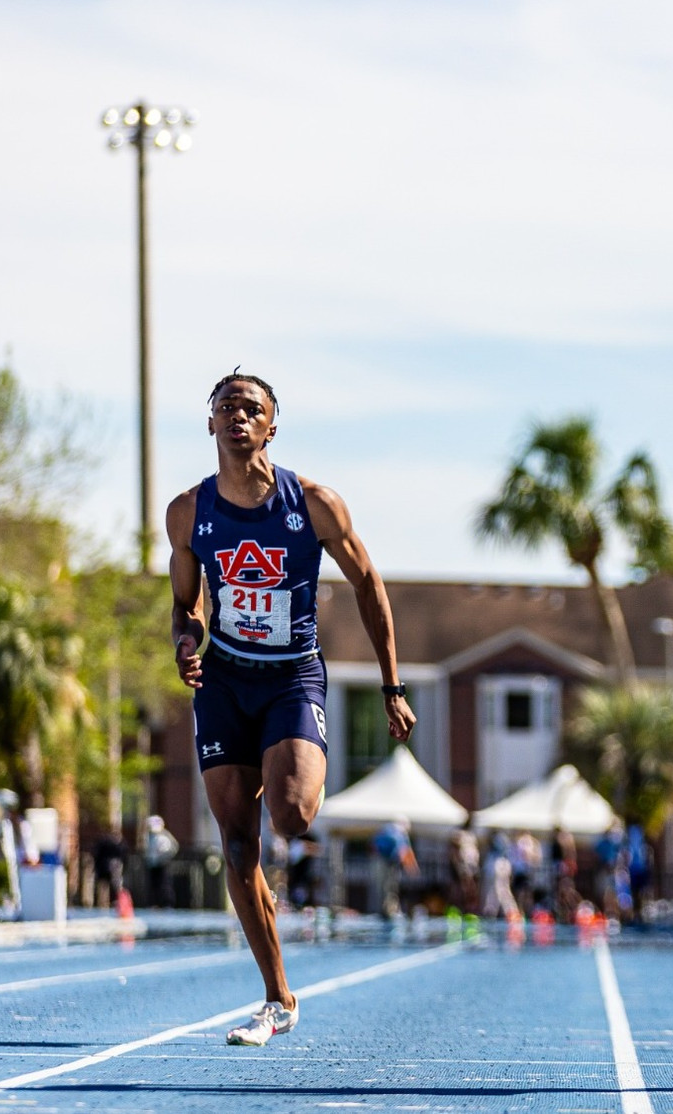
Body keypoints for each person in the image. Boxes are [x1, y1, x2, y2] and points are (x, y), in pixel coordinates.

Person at [167, 370, 415, 1046]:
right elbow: (185, 606)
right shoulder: (188, 512)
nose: (238, 416)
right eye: (227, 408)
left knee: (291, 815)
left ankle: (302, 770)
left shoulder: (313, 504)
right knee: (238, 842)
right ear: (211, 425)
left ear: (272, 425)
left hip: (291, 678)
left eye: (252, 408)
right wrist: (186, 643)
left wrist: (391, 685)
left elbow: (368, 586)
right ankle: (277, 996)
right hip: (223, 681)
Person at [141, 815, 179, 908]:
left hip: (162, 863)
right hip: (152, 864)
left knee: (164, 884)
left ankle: (167, 903)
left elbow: (173, 848)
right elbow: (146, 849)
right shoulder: (147, 836)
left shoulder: (165, 836)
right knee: (153, 885)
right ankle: (154, 903)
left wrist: (164, 857)